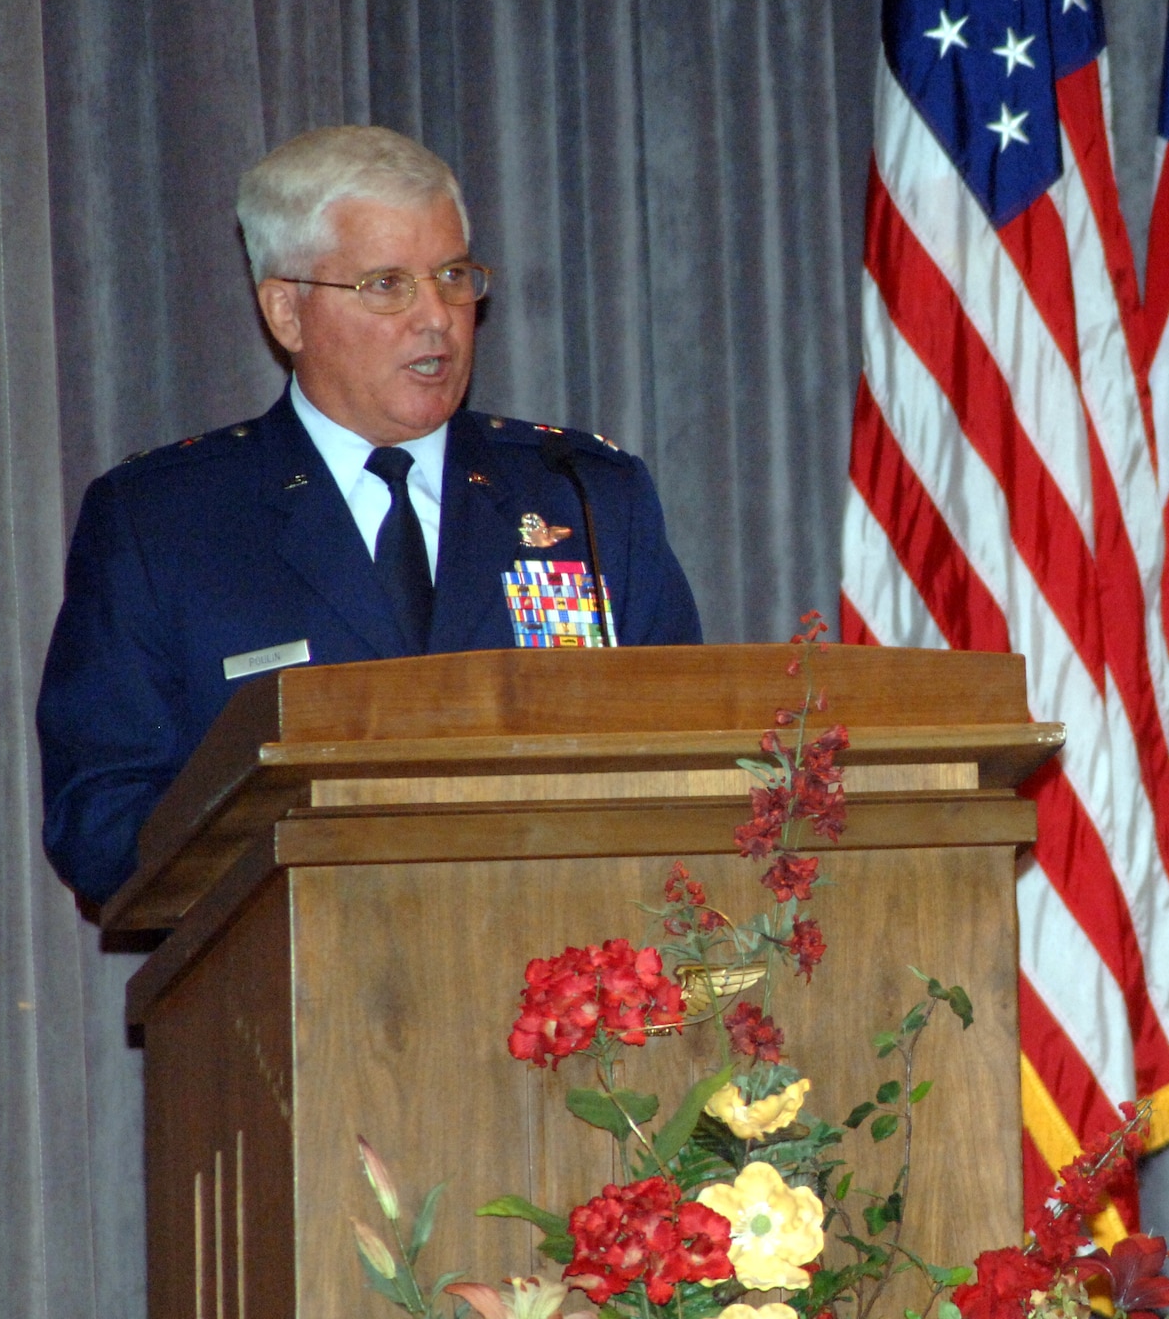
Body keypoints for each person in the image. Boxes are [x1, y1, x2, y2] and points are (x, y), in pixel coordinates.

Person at [37, 125, 702, 907]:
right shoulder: (165, 523)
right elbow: (102, 823)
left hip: (570, 977)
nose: (437, 317)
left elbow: (692, 762)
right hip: (297, 994)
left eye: (453, 276)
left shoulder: (582, 495)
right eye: (387, 285)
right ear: (286, 313)